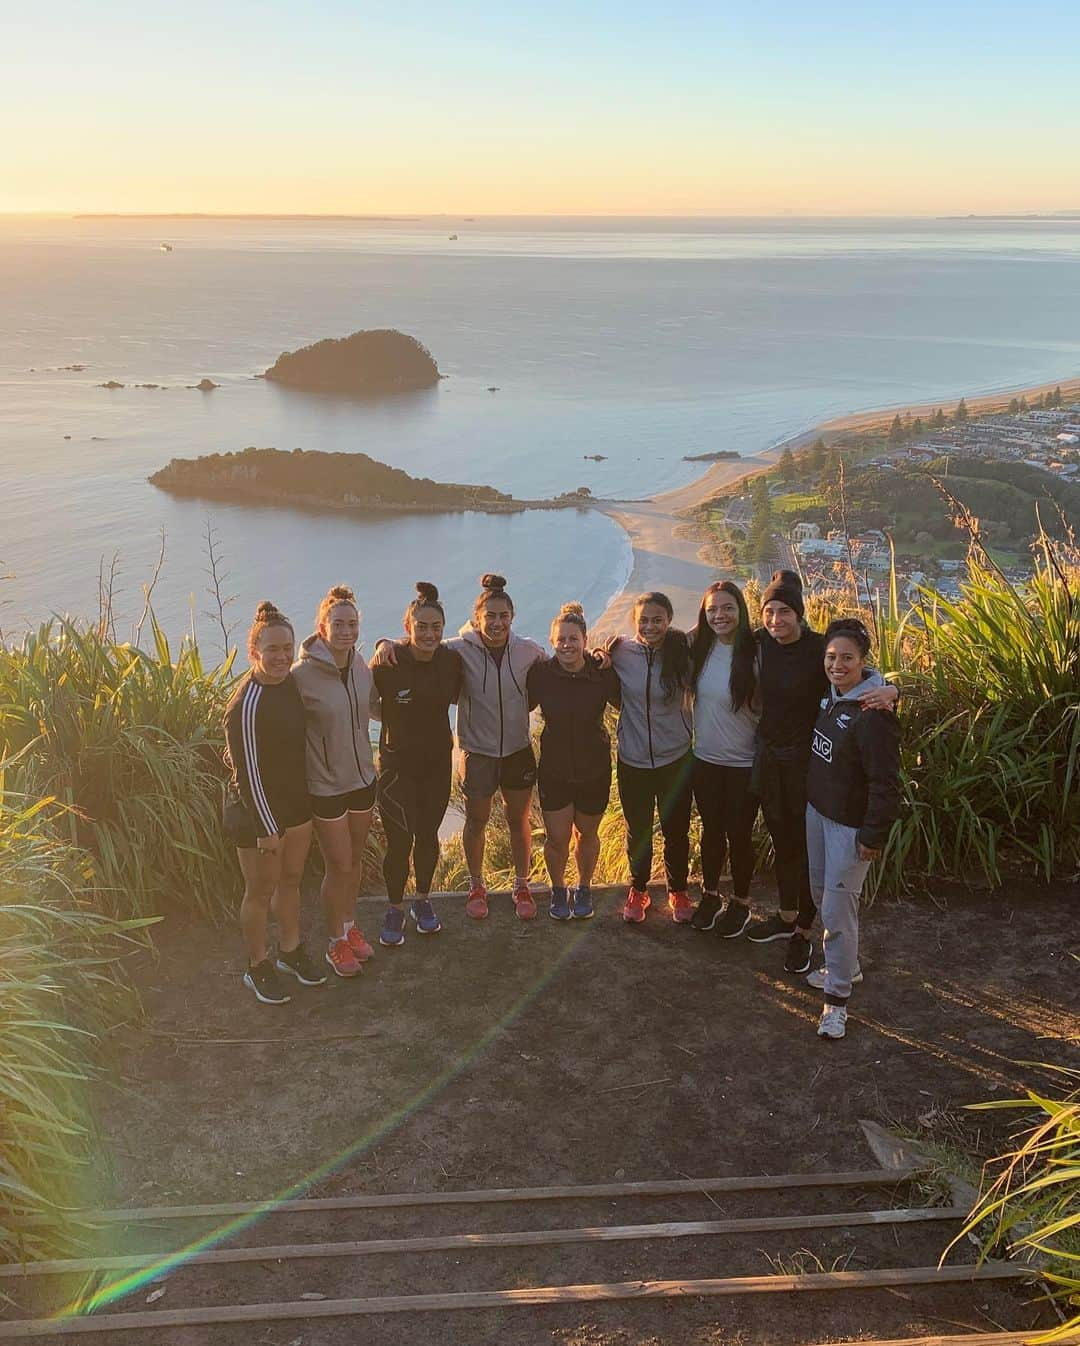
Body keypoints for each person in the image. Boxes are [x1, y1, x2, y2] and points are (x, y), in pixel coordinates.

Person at [746, 570, 897, 976]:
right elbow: (710, 636)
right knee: (784, 842)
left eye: (785, 611)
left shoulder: (819, 650)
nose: (776, 619)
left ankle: (804, 932)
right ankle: (786, 915)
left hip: (810, 765)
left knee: (809, 851)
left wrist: (890, 689)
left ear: (800, 613)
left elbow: (856, 672)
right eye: (769, 611)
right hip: (771, 760)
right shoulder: (759, 643)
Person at [373, 573, 545, 921]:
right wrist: (383, 643)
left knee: (518, 820)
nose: (497, 623)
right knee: (477, 821)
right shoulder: (457, 649)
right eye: (490, 617)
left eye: (503, 617)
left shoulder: (529, 650)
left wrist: (603, 652)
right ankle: (477, 886)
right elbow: (419, 643)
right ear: (477, 618)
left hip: (516, 750)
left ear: (512, 618)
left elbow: (557, 666)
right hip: (476, 751)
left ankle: (522, 884)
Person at [223, 601, 324, 1005]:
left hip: (295, 804)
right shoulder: (244, 705)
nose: (282, 656)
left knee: (292, 880)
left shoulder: (291, 684)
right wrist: (267, 829)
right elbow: (246, 776)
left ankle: (290, 951)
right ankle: (257, 965)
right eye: (272, 650)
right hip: (256, 814)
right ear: (254, 654)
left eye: (288, 648)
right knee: (260, 891)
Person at [805, 618, 901, 1040]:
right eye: (831, 657)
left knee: (836, 913)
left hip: (848, 828)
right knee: (821, 896)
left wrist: (872, 835)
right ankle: (848, 968)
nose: (837, 665)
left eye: (847, 658)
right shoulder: (831, 698)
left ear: (864, 662)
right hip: (818, 814)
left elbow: (886, 782)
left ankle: (836, 1002)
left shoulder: (873, 714)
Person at [292, 584, 380, 979]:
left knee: (355, 861)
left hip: (363, 777)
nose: (347, 630)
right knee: (338, 864)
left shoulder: (360, 666)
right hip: (325, 785)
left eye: (353, 623)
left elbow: (375, 708)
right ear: (322, 627)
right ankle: (334, 942)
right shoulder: (301, 676)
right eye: (339, 623)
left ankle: (349, 925)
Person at [371, 582, 462, 947]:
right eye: (420, 626)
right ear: (407, 628)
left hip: (437, 765)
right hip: (396, 770)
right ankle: (394, 907)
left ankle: (422, 901)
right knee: (398, 842)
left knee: (427, 837)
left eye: (435, 627)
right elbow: (354, 687)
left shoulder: (452, 660)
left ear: (443, 629)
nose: (428, 633)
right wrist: (382, 643)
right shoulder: (388, 663)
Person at [527, 602, 621, 920]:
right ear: (552, 642)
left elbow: (626, 701)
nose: (567, 645)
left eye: (573, 639)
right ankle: (557, 889)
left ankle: (583, 887)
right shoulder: (542, 674)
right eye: (561, 639)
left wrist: (609, 656)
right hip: (554, 769)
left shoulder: (600, 672)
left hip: (594, 768)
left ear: (584, 639)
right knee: (557, 838)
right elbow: (511, 696)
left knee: (587, 834)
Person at [608, 592, 694, 924]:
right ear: (634, 621)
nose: (650, 626)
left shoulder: (681, 653)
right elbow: (605, 679)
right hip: (633, 758)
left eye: (657, 619)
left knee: (676, 830)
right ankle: (639, 889)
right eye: (643, 620)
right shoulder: (621, 652)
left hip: (676, 758)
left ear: (669, 620)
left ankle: (678, 890)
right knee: (638, 831)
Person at [687, 581, 761, 937]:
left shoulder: (759, 649)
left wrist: (881, 685)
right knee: (711, 832)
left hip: (745, 763)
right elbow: (649, 642)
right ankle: (711, 894)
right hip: (705, 759)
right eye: (712, 609)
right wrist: (610, 647)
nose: (719, 615)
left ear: (741, 610)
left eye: (727, 608)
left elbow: (814, 654)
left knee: (740, 835)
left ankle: (742, 902)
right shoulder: (697, 646)